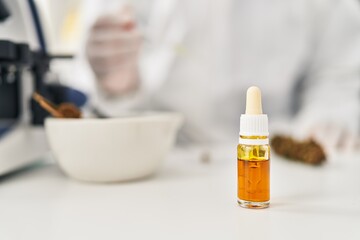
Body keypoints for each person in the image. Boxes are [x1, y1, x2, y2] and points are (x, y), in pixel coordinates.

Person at [76, 0, 360, 154]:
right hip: (161, 157)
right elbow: (85, 81)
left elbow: (339, 71)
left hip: (280, 155)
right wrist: (117, 82)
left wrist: (326, 118)